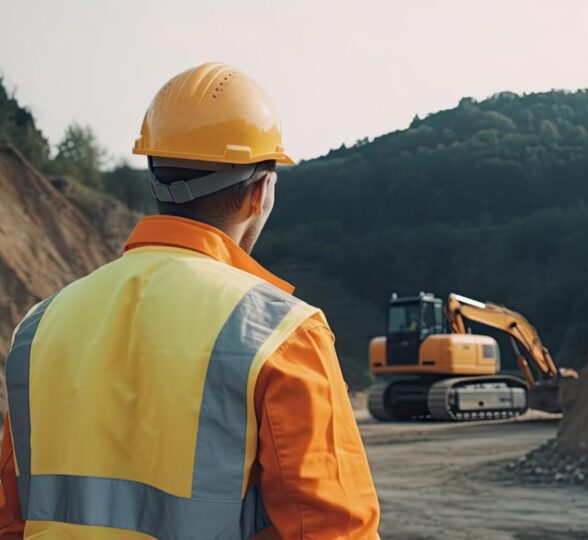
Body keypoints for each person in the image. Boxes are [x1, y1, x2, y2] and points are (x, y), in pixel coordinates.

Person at [0, 62, 380, 539]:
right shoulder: (284, 336)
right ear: (259, 193)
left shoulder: (39, 329)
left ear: (155, 179)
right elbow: (333, 530)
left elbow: (12, 520)